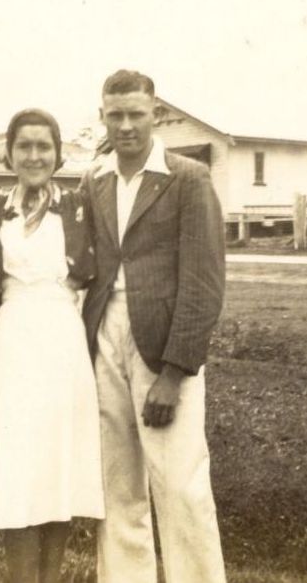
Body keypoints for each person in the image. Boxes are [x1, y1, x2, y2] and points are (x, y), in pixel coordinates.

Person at [80, 70, 227, 583]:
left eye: (135, 114)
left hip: (161, 344)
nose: (125, 125)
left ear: (155, 113)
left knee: (180, 482)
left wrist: (174, 371)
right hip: (103, 340)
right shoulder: (92, 178)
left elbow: (203, 282)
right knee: (117, 483)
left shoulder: (188, 178)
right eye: (114, 114)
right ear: (102, 115)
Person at [0, 108, 104, 583]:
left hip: (63, 342)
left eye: (43, 146)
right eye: (24, 146)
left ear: (58, 153)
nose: (34, 155)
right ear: (8, 153)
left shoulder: (79, 205)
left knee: (56, 467)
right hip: (14, 340)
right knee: (18, 466)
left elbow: (91, 271)